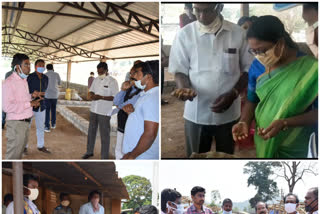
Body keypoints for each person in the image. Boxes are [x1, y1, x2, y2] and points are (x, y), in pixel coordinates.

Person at [169, 3, 253, 157]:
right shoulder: (185, 34)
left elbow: (249, 69)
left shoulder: (238, 34)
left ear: (220, 7)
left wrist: (233, 93)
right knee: (195, 157)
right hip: (196, 113)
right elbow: (179, 70)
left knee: (225, 156)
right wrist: (184, 88)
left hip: (229, 113)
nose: (201, 16)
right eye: (197, 10)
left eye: (207, 11)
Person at [232, 15, 318, 158]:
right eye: (253, 51)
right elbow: (252, 99)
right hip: (264, 140)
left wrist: (285, 123)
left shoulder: (312, 69)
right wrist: (244, 121)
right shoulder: (257, 66)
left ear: (280, 43)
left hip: (296, 145)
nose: (258, 56)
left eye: (262, 50)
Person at [2, 53, 42, 159]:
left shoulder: (23, 81)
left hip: (24, 123)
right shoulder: (8, 83)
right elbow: (6, 107)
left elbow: (21, 99)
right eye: (26, 65)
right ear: (17, 67)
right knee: (13, 157)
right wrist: (29, 104)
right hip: (16, 125)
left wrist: (32, 96)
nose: (29, 68)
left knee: (18, 155)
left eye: (29, 65)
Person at [121, 60, 159, 160]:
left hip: (141, 155)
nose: (134, 77)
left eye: (137, 73)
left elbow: (150, 134)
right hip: (137, 153)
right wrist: (131, 114)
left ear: (148, 77)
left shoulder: (152, 98)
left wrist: (132, 156)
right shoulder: (146, 95)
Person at [82, 62, 119, 159]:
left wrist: (101, 97)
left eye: (101, 72)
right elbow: (92, 90)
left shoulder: (112, 81)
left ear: (106, 70)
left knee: (104, 135)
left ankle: (104, 156)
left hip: (104, 112)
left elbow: (115, 97)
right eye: (98, 72)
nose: (99, 73)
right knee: (91, 132)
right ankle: (89, 151)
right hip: (94, 109)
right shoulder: (96, 80)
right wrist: (91, 94)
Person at [113, 60, 143, 159]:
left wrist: (119, 106)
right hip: (122, 123)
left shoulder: (142, 91)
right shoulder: (129, 88)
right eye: (130, 73)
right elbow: (116, 102)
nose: (131, 76)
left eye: (134, 73)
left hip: (133, 126)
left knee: (129, 150)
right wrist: (123, 90)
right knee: (119, 149)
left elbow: (126, 104)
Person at [27, 59, 50, 154]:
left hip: (41, 105)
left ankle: (40, 146)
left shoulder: (46, 78)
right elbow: (25, 91)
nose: (41, 67)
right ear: (35, 67)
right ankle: (24, 147)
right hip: (29, 105)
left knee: (40, 127)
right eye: (39, 65)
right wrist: (33, 94)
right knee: (26, 127)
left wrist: (42, 95)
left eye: (43, 65)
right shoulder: (30, 77)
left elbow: (45, 90)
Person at [44, 64, 61, 132]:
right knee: (53, 110)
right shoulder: (56, 74)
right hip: (55, 95)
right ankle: (53, 124)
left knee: (47, 111)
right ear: (52, 68)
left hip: (47, 95)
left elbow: (43, 84)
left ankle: (47, 127)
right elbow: (59, 83)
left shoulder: (44, 75)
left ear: (46, 68)